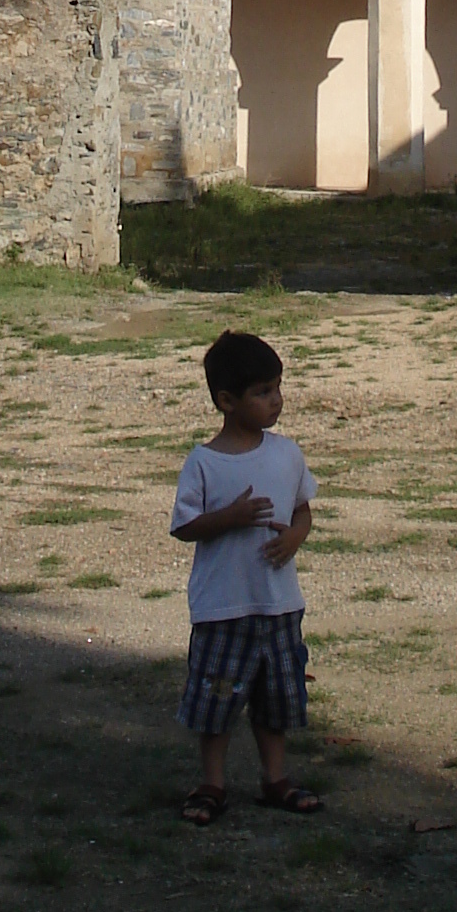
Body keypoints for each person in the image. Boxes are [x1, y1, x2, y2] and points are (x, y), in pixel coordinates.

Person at [169, 327, 322, 826]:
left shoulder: (287, 454)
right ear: (226, 400)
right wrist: (229, 518)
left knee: (276, 698)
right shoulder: (204, 462)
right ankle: (211, 782)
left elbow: (302, 510)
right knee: (217, 700)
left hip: (278, 604)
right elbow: (185, 526)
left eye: (278, 388)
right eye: (262, 392)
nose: (276, 400)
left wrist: (296, 538)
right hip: (223, 608)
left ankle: (274, 777)